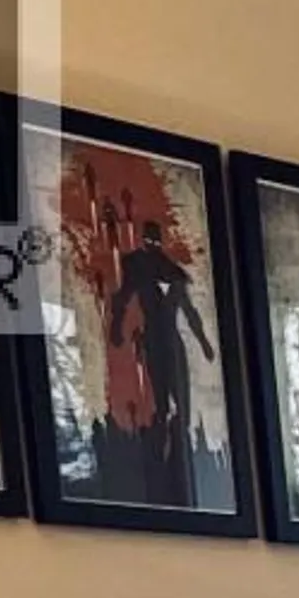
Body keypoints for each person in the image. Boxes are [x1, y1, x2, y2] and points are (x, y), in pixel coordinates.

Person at [104, 212, 214, 505]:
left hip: (172, 341)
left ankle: (180, 456)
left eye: (156, 239)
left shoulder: (173, 272)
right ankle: (158, 455)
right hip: (152, 340)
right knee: (161, 401)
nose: (152, 244)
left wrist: (204, 342)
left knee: (182, 400)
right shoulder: (137, 267)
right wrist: (116, 328)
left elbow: (189, 312)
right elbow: (122, 298)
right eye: (148, 239)